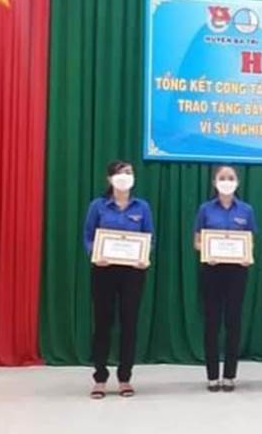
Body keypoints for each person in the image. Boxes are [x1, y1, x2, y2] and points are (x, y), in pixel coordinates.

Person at [82, 160, 154, 399]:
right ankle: (100, 378)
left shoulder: (142, 207)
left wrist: (144, 256)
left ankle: (125, 378)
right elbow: (88, 236)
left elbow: (149, 237)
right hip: (103, 271)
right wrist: (95, 254)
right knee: (102, 323)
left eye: (129, 172)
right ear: (110, 178)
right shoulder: (98, 206)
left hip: (133, 273)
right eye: (121, 173)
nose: (125, 176)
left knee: (129, 324)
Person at [192, 165, 258, 392]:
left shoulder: (246, 210)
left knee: (233, 322)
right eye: (222, 177)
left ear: (237, 182)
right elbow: (197, 241)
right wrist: (206, 252)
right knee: (211, 322)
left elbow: (250, 241)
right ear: (215, 182)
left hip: (237, 272)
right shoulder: (205, 209)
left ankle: (229, 375)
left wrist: (247, 256)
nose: (226, 181)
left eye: (231, 177)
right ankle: (212, 376)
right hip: (211, 270)